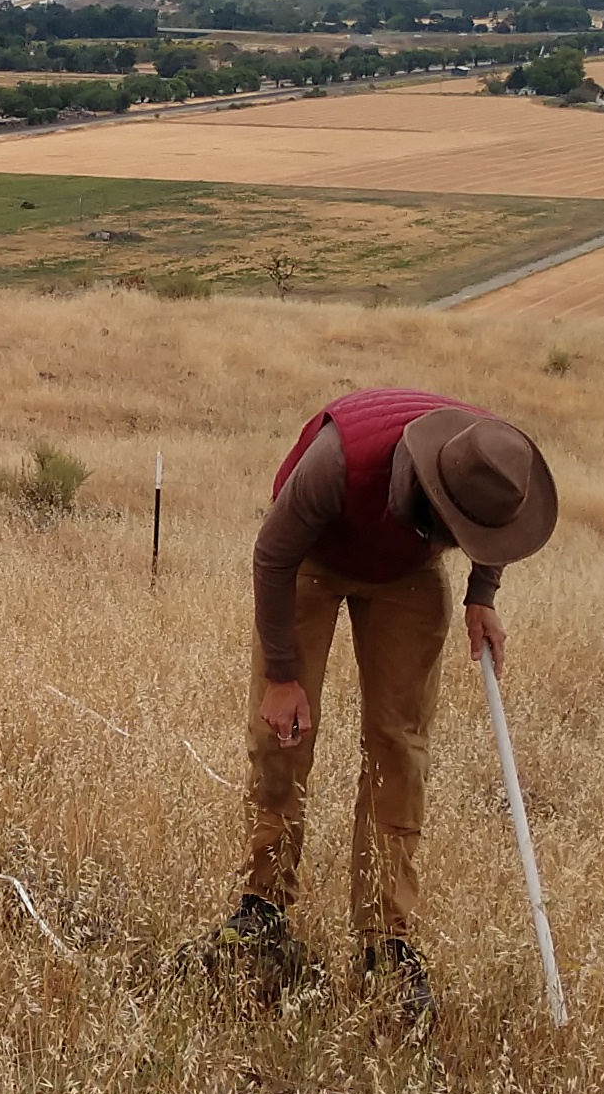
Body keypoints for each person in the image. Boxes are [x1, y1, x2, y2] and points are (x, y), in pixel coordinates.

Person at [196, 388, 557, 1024]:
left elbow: (494, 528)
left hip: (405, 579)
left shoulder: (495, 463)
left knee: (400, 747)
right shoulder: (338, 463)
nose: (456, 540)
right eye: (451, 529)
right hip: (314, 554)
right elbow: (272, 555)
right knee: (282, 736)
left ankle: (385, 943)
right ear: (428, 487)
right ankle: (262, 909)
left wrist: (482, 592)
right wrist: (282, 677)